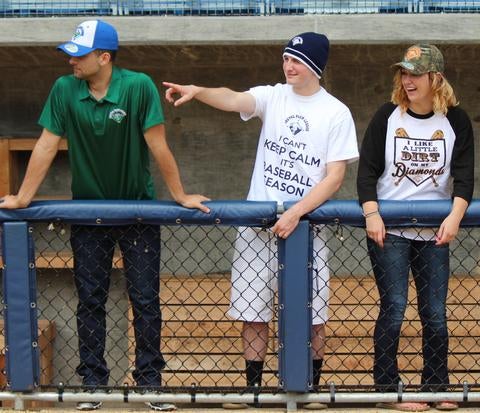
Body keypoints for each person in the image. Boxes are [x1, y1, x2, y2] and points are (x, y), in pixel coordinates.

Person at [0, 20, 210, 411]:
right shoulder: (65, 89)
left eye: (79, 55)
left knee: (146, 300)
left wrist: (179, 195)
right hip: (89, 213)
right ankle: (93, 384)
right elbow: (46, 145)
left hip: (138, 212)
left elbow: (158, 145)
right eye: (70, 54)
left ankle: (149, 385)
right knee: (90, 300)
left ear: (104, 57)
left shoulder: (138, 86)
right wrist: (22, 196)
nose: (71, 61)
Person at [163, 32, 358, 409]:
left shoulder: (336, 111)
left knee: (312, 314)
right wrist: (198, 89)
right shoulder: (273, 95)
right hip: (257, 227)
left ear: (315, 65)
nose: (288, 66)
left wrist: (296, 211)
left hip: (305, 227)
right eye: (286, 58)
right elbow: (234, 97)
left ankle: (310, 391)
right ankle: (252, 390)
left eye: (296, 60)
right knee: (252, 312)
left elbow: (334, 177)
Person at [357, 44, 474, 412]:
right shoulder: (388, 116)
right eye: (404, 73)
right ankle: (387, 389)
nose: (407, 80)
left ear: (435, 77)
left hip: (434, 232)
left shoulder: (456, 120)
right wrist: (372, 214)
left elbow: (465, 179)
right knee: (393, 308)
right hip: (388, 231)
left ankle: (436, 385)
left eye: (415, 73)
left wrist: (454, 217)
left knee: (435, 313)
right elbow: (366, 173)